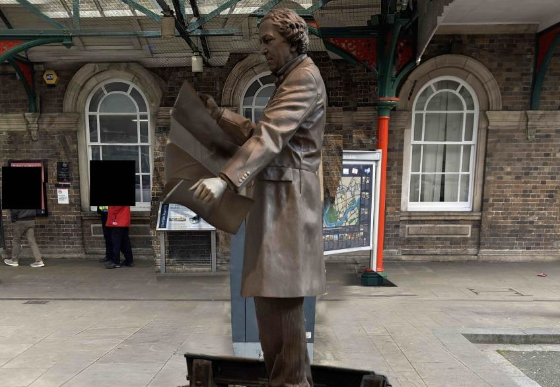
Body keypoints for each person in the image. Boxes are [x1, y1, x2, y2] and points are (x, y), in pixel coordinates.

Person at [191, 8, 326, 386]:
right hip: (279, 203)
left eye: (269, 41)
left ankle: (292, 383)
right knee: (271, 312)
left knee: (282, 314)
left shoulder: (303, 78)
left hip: (289, 207)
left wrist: (225, 179)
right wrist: (220, 116)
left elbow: (269, 138)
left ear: (292, 39)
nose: (263, 49)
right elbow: (261, 131)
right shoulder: (292, 79)